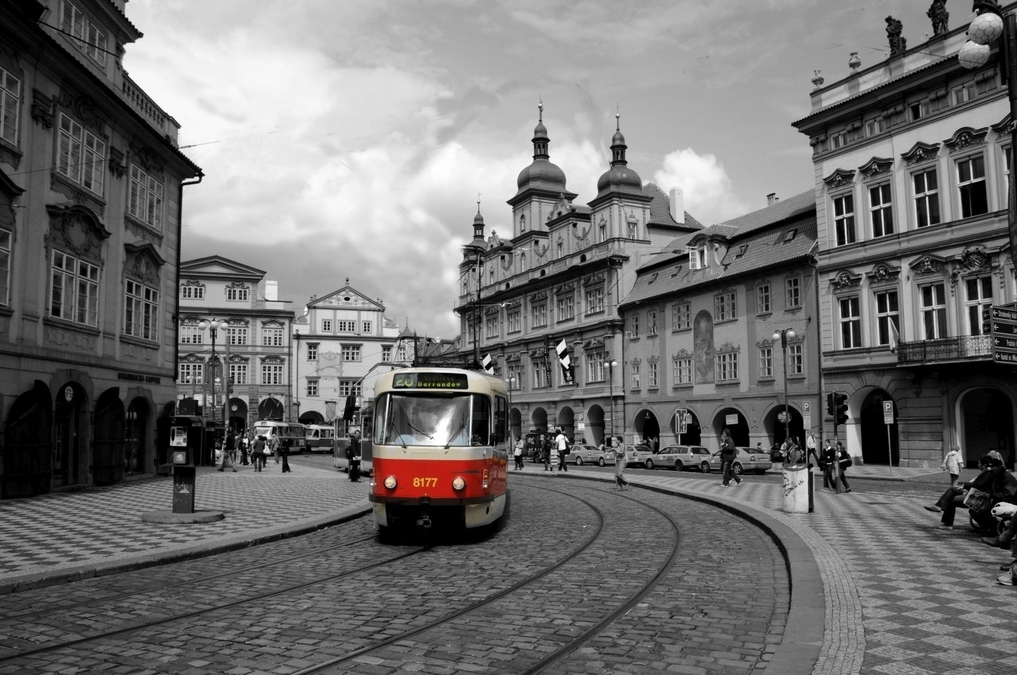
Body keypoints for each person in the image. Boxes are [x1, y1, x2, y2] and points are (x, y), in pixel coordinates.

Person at [924, 452, 1016, 530]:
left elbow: (980, 485)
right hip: (981, 495)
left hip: (986, 499)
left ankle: (944, 515)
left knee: (952, 498)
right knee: (952, 491)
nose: (977, 464)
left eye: (979, 463)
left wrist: (988, 495)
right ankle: (941, 509)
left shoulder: (994, 474)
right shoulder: (994, 473)